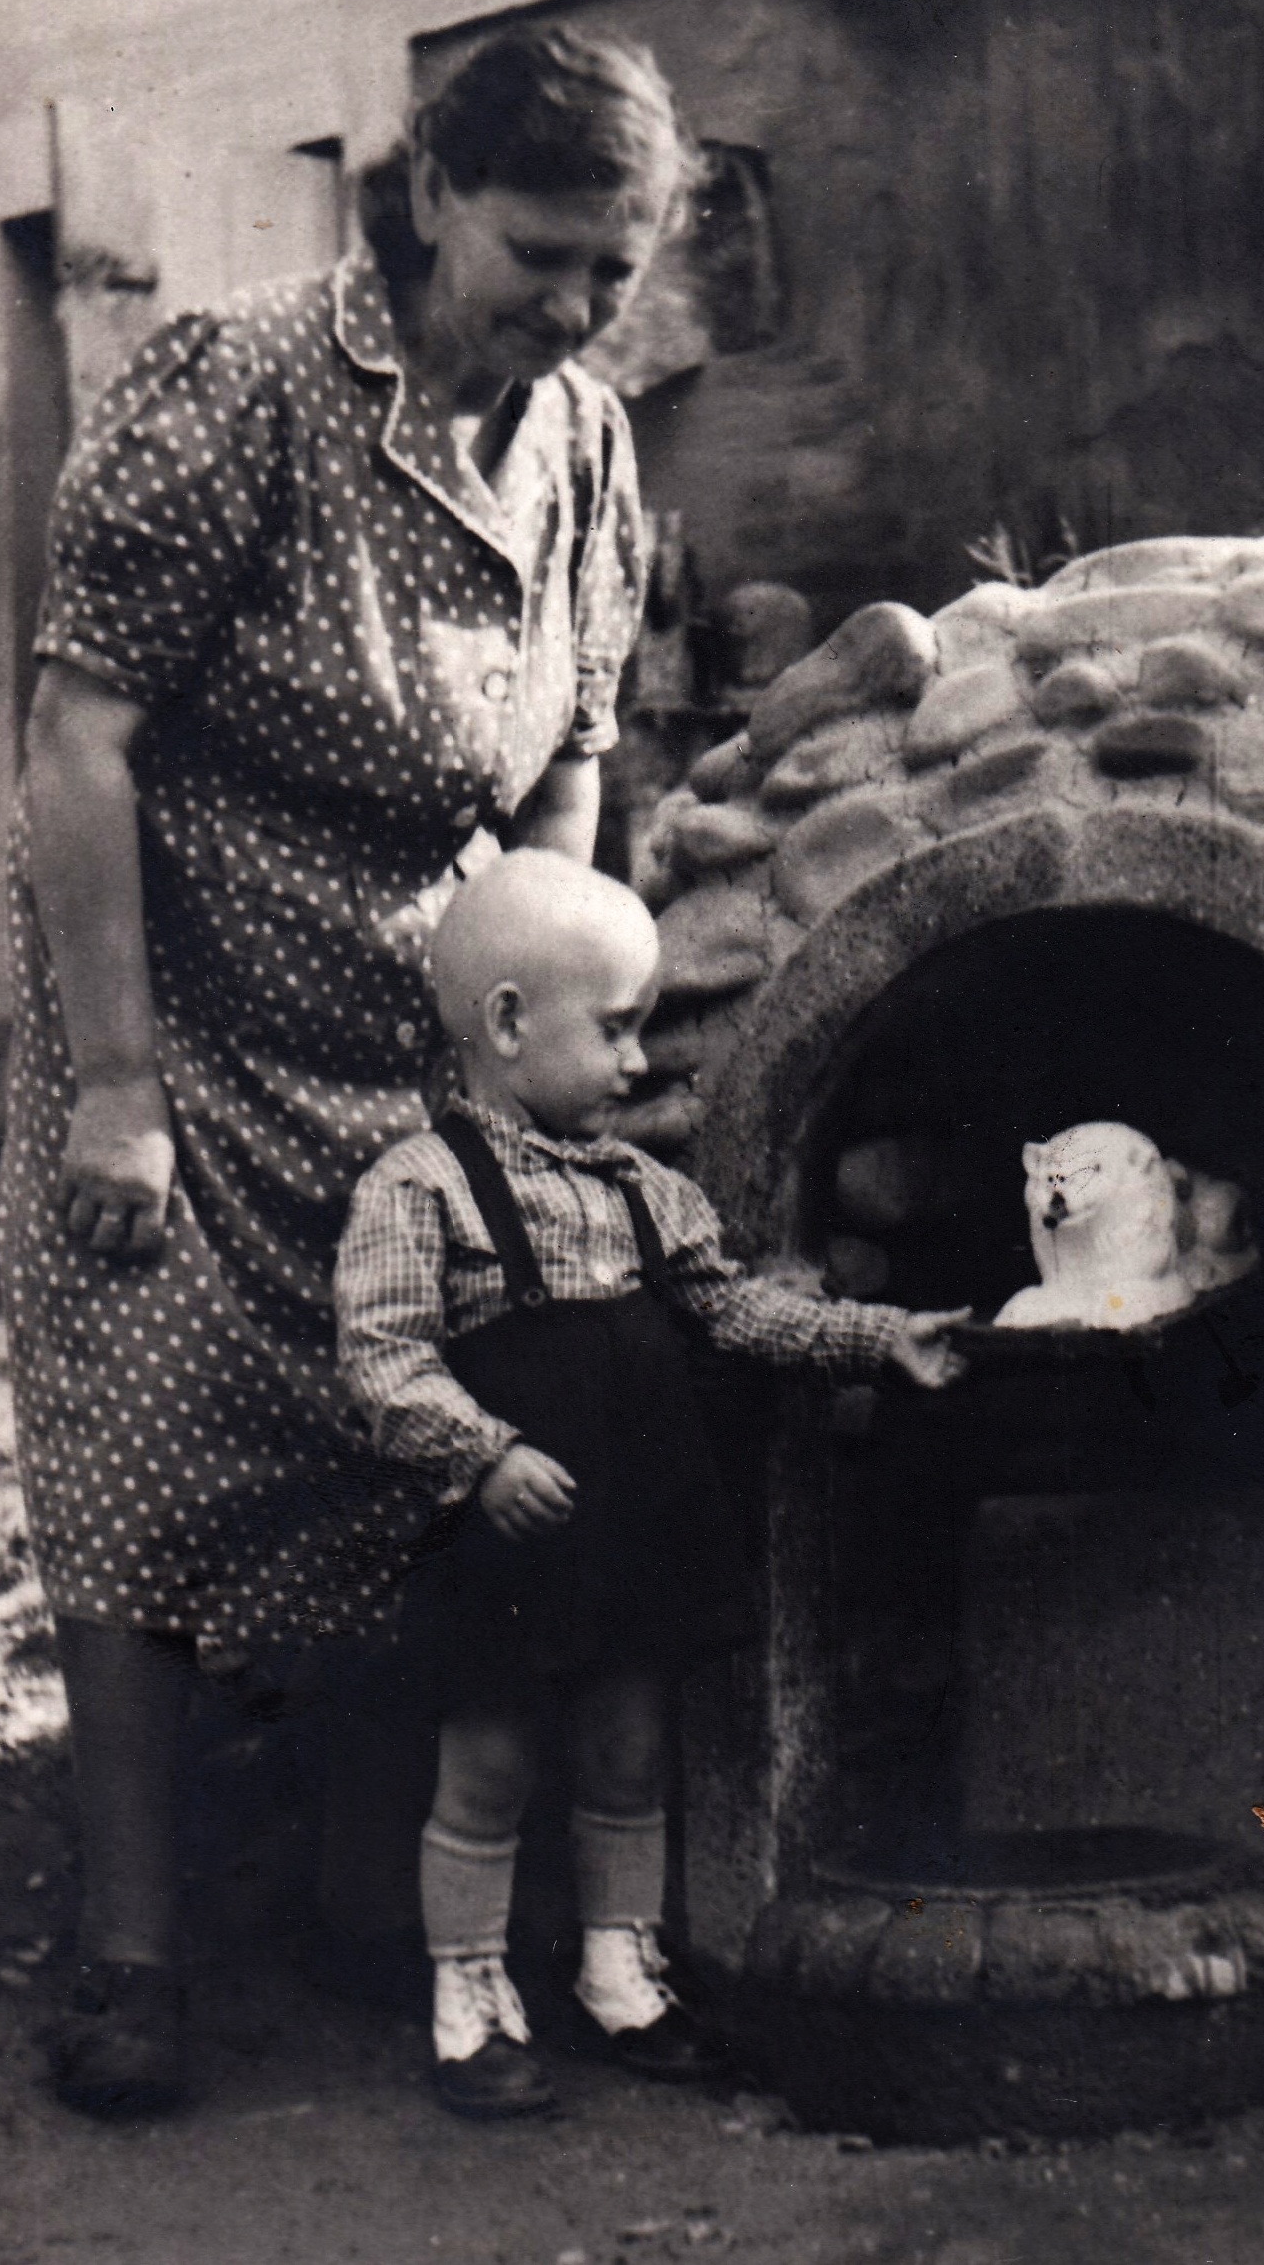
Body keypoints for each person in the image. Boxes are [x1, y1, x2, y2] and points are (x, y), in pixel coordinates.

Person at [0, 21, 697, 2120]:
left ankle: (362, 1896)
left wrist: (529, 1053)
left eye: (613, 270)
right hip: (188, 1022)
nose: (573, 309)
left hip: (419, 1047)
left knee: (420, 1442)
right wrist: (118, 1083)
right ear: (430, 198)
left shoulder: (583, 447)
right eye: (541, 256)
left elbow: (567, 769)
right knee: (145, 1449)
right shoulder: (236, 387)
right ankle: (132, 1959)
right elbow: (78, 739)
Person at [333, 849, 968, 2120]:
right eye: (616, 1029)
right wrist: (483, 1451)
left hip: (629, 1523)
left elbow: (733, 1311)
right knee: (489, 1761)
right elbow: (381, 1357)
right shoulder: (420, 1189)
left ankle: (619, 1969)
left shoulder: (643, 1193)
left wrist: (874, 1336)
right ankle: (469, 1995)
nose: (638, 1063)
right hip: (507, 1538)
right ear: (508, 1022)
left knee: (630, 1749)